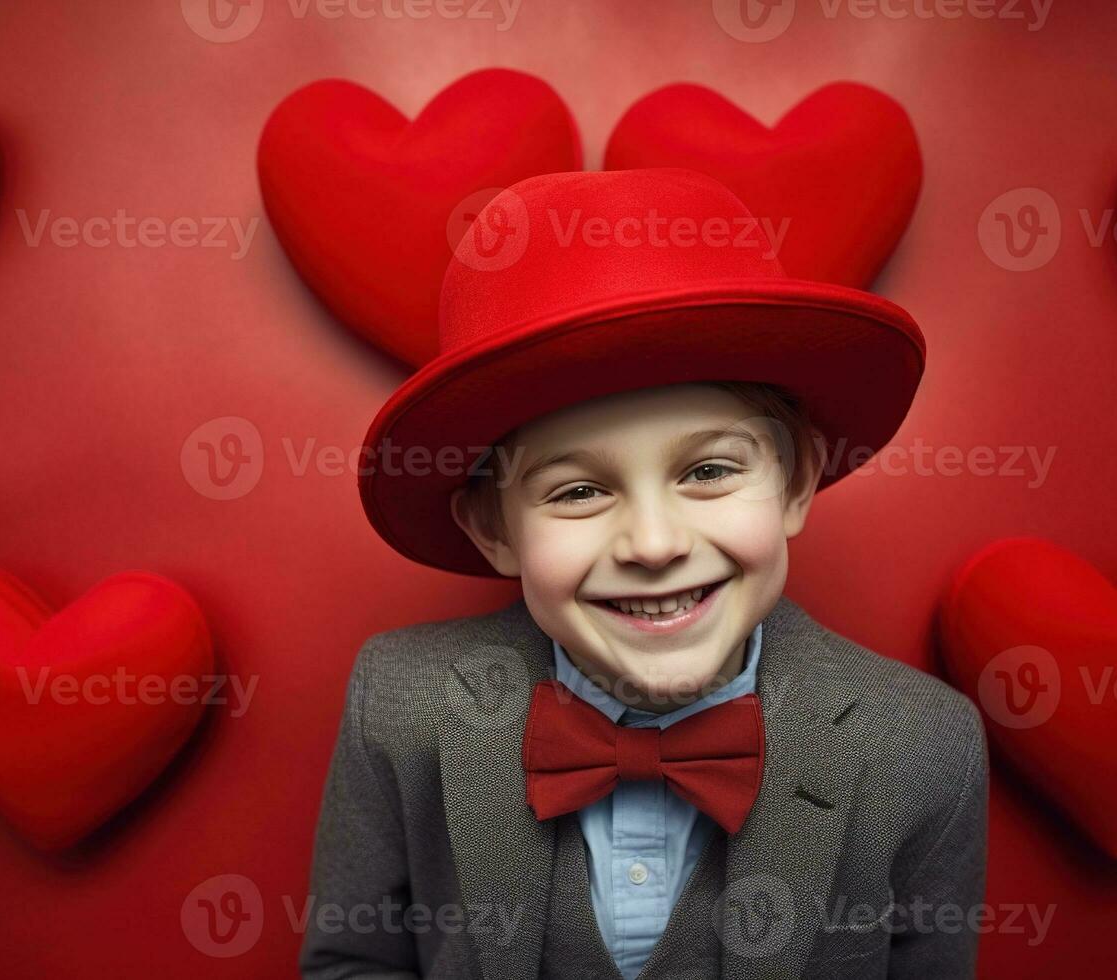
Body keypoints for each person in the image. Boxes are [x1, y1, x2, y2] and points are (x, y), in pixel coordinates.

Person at [300, 167, 988, 979]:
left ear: (797, 482)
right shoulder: (401, 706)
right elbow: (352, 963)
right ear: (494, 529)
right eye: (580, 490)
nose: (655, 544)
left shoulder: (925, 747)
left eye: (708, 472)